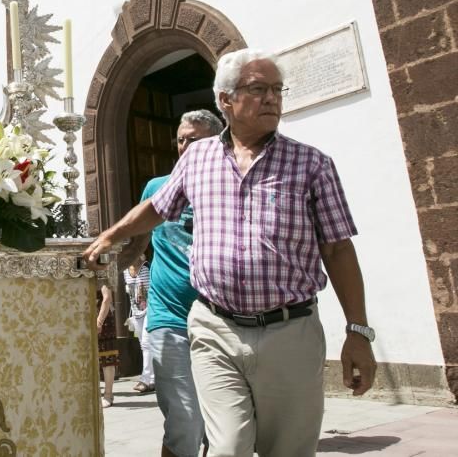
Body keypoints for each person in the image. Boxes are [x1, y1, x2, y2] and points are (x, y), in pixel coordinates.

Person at [85, 48, 376, 457]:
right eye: (259, 89)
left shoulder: (311, 164)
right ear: (225, 100)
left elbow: (338, 247)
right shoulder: (197, 160)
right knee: (228, 448)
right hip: (214, 326)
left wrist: (358, 332)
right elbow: (158, 206)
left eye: (277, 89)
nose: (272, 98)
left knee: (288, 450)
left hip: (290, 331)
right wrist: (110, 236)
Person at [142, 109, 223, 457]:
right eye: (181, 139)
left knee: (221, 423)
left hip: (221, 322)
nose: (185, 145)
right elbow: (136, 238)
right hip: (168, 321)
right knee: (185, 421)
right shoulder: (157, 188)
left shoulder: (228, 188)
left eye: (195, 138)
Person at [123, 258, 154, 394]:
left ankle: (145, 379)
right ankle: (152, 379)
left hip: (149, 310)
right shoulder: (125, 270)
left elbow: (152, 292)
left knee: (147, 343)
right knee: (143, 344)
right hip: (136, 311)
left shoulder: (145, 268)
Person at [96, 282, 119, 407]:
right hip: (88, 318)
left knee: (107, 358)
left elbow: (107, 298)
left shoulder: (103, 274)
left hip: (103, 320)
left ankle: (108, 394)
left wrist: (99, 321)